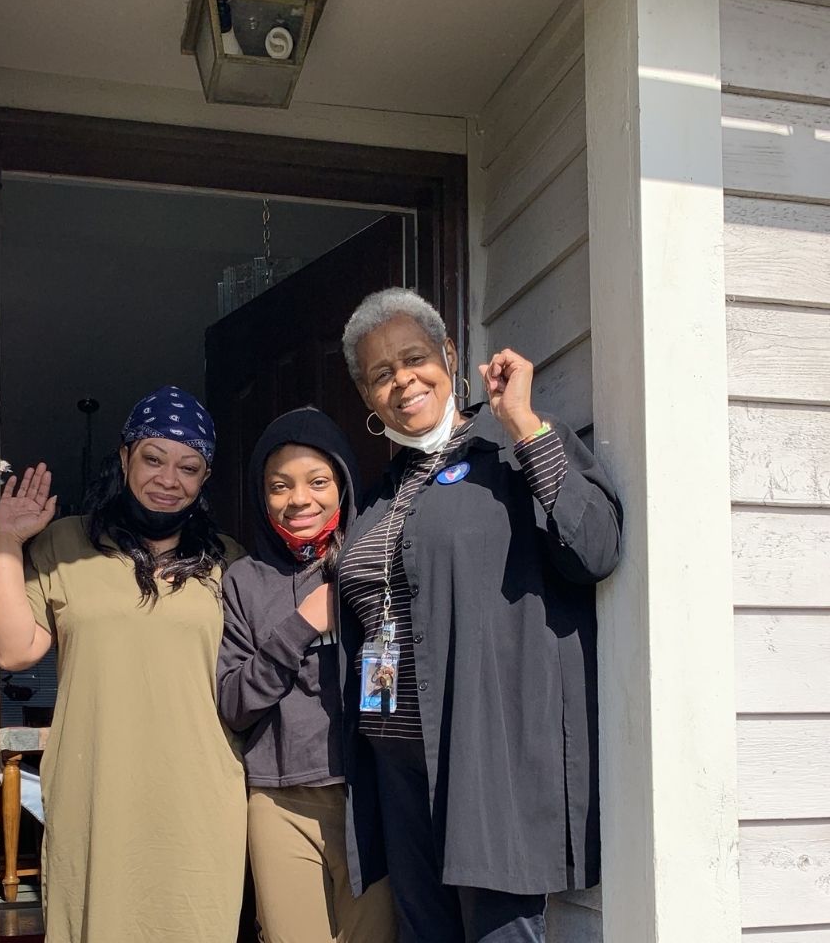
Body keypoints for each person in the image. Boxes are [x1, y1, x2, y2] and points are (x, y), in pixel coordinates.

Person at [336, 288, 622, 943]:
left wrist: (523, 423)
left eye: (413, 358)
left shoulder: (507, 453)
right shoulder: (380, 498)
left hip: (485, 750)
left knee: (500, 932)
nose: (401, 380)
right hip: (397, 760)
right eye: (380, 374)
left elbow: (596, 548)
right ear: (367, 398)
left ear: (449, 355)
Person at [0, 386, 247, 943]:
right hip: (95, 789)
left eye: (188, 466)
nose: (168, 478)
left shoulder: (230, 561)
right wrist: (6, 540)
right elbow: (13, 649)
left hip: (201, 795)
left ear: (205, 478)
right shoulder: (64, 543)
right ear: (125, 457)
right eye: (153, 458)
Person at [218, 407, 398, 943]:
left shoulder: (376, 562)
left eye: (318, 481)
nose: (300, 499)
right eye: (281, 486)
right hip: (279, 800)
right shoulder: (244, 581)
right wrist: (300, 626)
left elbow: (395, 681)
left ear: (342, 484)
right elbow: (234, 702)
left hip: (369, 795)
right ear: (261, 494)